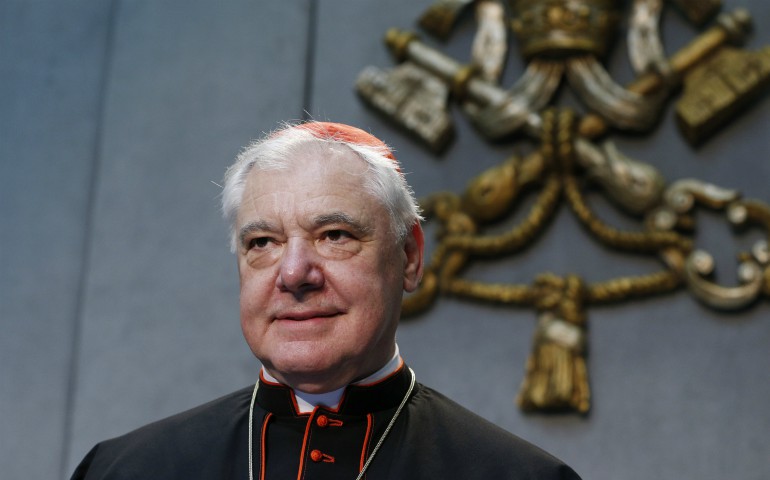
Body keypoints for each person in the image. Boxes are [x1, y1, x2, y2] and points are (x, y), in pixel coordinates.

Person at [71, 122, 581, 479]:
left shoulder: (517, 475)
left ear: (408, 256)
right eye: (262, 243)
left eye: (334, 235)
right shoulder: (126, 469)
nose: (294, 274)